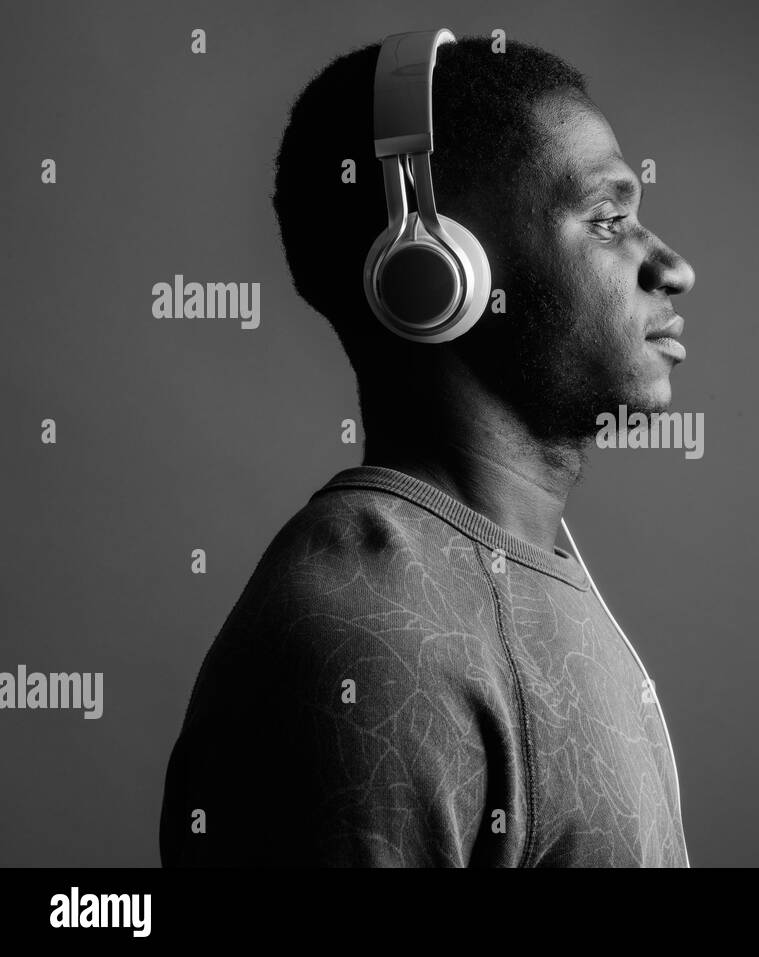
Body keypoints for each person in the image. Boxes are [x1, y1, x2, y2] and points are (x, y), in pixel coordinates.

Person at [159, 33, 696, 867]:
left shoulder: (518, 570)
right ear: (437, 272)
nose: (672, 267)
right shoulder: (369, 642)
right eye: (607, 220)